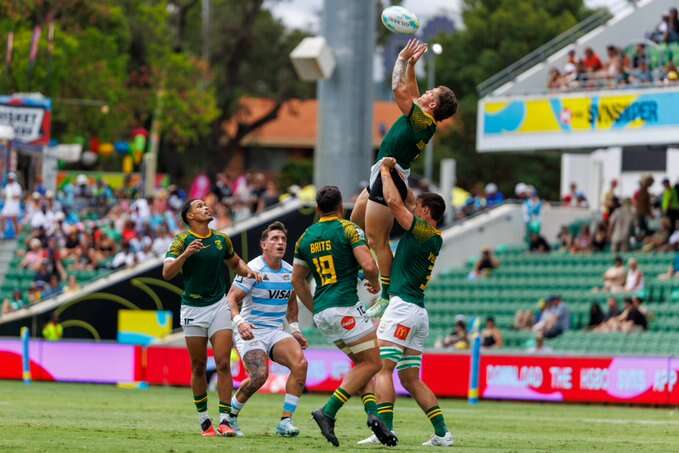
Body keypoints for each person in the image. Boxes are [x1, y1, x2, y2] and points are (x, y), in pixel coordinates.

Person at [350, 38, 458, 317]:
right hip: (385, 169)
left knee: (377, 238)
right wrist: (412, 64)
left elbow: (400, 91)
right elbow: (412, 89)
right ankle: (366, 269)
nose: (424, 93)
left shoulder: (423, 119)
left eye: (429, 92)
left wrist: (400, 60)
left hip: (390, 173)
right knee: (355, 222)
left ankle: (385, 294)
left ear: (432, 104)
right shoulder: (425, 118)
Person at [291, 185, 395, 448]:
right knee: (373, 364)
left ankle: (373, 415)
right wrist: (375, 283)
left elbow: (297, 280)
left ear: (317, 208)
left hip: (323, 312)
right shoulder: (349, 229)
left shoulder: (305, 237)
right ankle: (328, 411)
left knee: (361, 365)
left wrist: (314, 308)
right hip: (346, 307)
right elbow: (369, 264)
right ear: (340, 208)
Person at [366, 158, 454, 447]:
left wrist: (384, 171)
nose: (413, 209)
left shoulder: (420, 230)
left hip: (402, 308)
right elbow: (408, 199)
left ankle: (385, 431)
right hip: (418, 313)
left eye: (418, 208)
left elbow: (393, 202)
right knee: (411, 379)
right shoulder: (435, 236)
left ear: (426, 212)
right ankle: (443, 433)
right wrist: (401, 174)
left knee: (382, 368)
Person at [162, 198, 261, 437]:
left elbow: (235, 262)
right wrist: (185, 254)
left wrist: (249, 271)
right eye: (199, 206)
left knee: (223, 363)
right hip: (192, 309)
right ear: (190, 217)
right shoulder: (181, 241)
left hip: (219, 305)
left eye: (206, 205)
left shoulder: (221, 239)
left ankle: (225, 420)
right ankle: (204, 421)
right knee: (197, 366)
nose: (206, 207)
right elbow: (167, 273)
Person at [225, 221, 308, 437]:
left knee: (301, 364)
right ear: (264, 245)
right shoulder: (252, 270)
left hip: (274, 331)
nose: (280, 243)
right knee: (259, 376)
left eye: (283, 239)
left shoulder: (290, 273)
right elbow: (232, 298)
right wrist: (239, 322)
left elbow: (291, 302)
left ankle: (285, 422)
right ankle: (229, 418)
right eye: (274, 239)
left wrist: (295, 329)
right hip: (250, 329)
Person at [1, 172, 22, 238]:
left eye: (11, 178)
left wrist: (10, 196)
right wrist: (4, 195)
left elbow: (18, 196)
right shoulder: (7, 186)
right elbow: (5, 196)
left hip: (14, 206)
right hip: (7, 206)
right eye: (9, 178)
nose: (10, 179)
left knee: (15, 220)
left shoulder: (17, 186)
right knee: (2, 217)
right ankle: (2, 233)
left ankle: (17, 234)